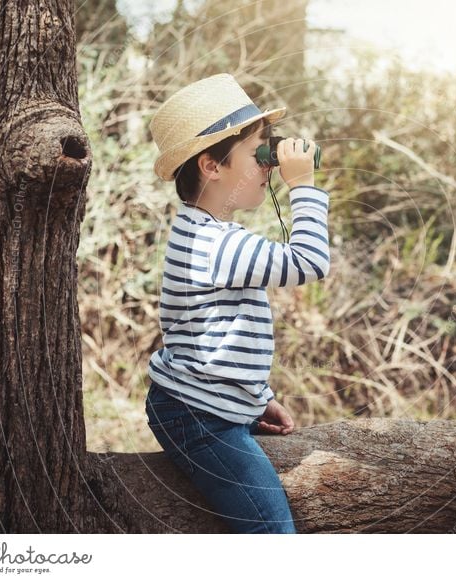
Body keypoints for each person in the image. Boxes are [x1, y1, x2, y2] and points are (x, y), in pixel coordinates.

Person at [144, 73, 330, 534]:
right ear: (211, 166)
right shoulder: (215, 244)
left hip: (204, 405)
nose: (269, 165)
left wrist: (256, 398)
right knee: (271, 533)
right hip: (198, 415)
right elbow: (308, 261)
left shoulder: (204, 232)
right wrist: (302, 185)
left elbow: (211, 333)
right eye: (258, 153)